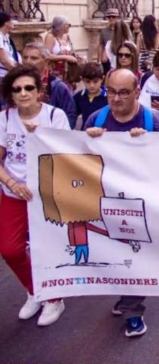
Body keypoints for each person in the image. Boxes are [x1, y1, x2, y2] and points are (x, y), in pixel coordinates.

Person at [84, 69, 159, 337]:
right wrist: (89, 140)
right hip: (105, 199)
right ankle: (125, 293)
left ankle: (133, 311)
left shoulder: (152, 122)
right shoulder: (96, 119)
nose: (116, 98)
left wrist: (147, 144)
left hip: (140, 202)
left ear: (137, 93)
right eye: (111, 92)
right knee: (114, 251)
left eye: (123, 92)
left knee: (135, 253)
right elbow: (77, 158)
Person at [0, 65, 70, 327]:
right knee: (10, 249)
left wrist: (39, 136)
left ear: (39, 90)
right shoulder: (4, 119)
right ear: (10, 93)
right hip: (14, 194)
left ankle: (54, 298)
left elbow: (67, 155)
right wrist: (12, 183)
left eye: (29, 87)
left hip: (47, 195)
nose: (23, 93)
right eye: (17, 89)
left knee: (48, 249)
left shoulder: (55, 116)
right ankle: (35, 290)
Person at [21, 43, 77, 129]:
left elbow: (70, 115)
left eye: (34, 58)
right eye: (25, 58)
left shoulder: (58, 87)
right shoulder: (14, 84)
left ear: (46, 61)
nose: (28, 62)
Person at [43, 15, 79, 81]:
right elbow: (47, 55)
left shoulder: (66, 36)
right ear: (60, 26)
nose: (69, 26)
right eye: (67, 25)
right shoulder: (50, 37)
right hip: (56, 74)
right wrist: (65, 57)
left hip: (68, 74)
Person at [73, 62, 108, 129]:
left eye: (95, 81)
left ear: (102, 79)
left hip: (104, 132)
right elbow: (72, 114)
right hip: (85, 132)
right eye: (88, 82)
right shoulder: (79, 97)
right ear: (82, 79)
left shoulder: (108, 97)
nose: (92, 85)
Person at [0, 12, 19, 101]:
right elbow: (3, 59)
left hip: (7, 73)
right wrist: (17, 71)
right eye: (11, 20)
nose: (13, 22)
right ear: (6, 23)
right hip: (2, 75)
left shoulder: (6, 36)